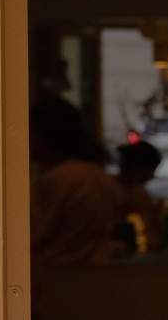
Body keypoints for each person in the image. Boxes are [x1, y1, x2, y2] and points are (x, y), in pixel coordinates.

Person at [27, 96, 119, 264]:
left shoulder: (58, 179)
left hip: (58, 272)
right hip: (96, 271)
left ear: (43, 134)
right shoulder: (99, 176)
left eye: (30, 131)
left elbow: (36, 236)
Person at [113, 139, 165, 253]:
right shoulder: (132, 193)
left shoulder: (136, 192)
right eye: (151, 169)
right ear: (136, 166)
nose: (152, 176)